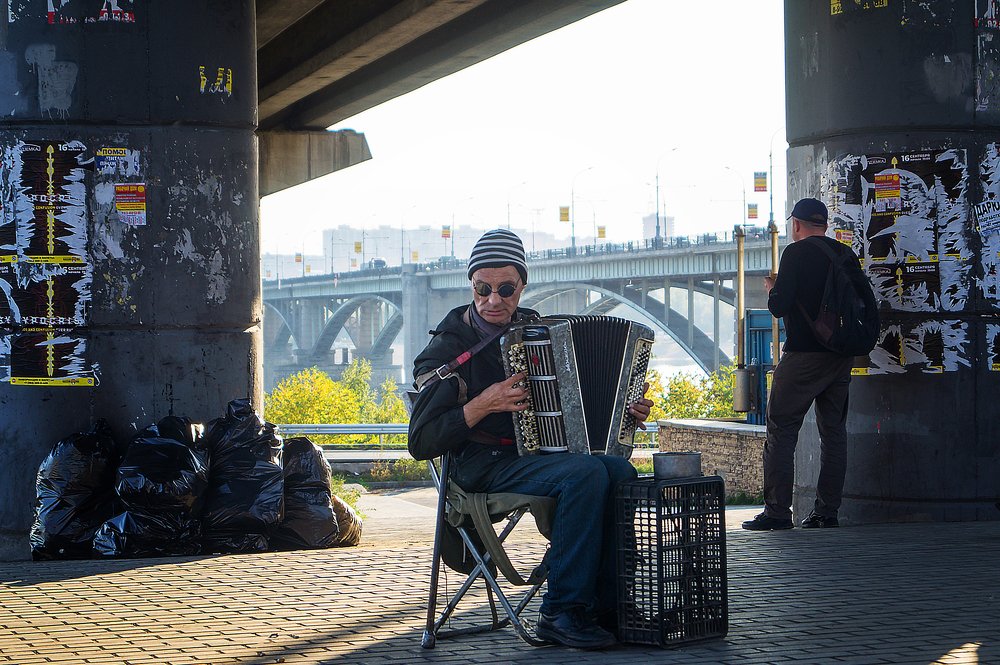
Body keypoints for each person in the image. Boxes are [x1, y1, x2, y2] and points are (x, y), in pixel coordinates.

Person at [407, 228, 654, 650]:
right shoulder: (447, 349)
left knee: (619, 470)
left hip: (535, 458)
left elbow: (573, 403)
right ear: (471, 284)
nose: (493, 300)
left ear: (522, 285)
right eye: (483, 288)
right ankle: (561, 610)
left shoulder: (536, 331)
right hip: (479, 466)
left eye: (506, 288)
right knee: (585, 477)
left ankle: (611, 605)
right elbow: (421, 441)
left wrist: (623, 407)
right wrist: (483, 403)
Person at [742, 198, 858, 531]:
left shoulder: (795, 253)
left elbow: (779, 306)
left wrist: (772, 289)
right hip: (840, 356)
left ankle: (778, 512)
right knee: (834, 434)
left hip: (805, 355)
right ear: (823, 224)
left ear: (795, 224)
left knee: (780, 429)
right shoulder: (844, 253)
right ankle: (826, 512)